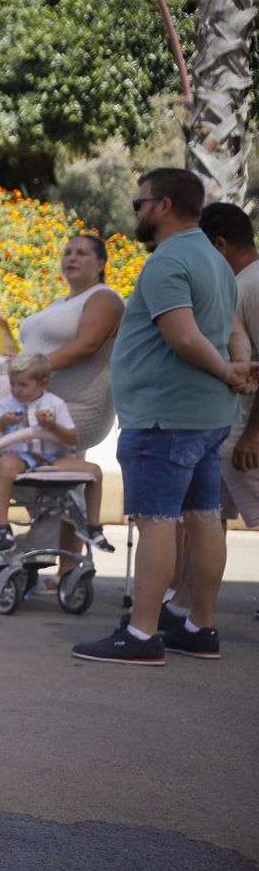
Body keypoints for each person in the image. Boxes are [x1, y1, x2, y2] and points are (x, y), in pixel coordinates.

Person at [72, 169, 254, 666]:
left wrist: (229, 372)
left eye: (140, 202)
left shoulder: (169, 260)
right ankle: (200, 626)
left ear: (164, 205)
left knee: (157, 522)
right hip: (205, 414)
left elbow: (184, 337)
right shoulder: (216, 261)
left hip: (165, 416)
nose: (137, 210)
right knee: (203, 519)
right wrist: (234, 367)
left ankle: (142, 633)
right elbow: (233, 328)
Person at [17, 233, 126, 582]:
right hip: (46, 404)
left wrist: (31, 368)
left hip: (78, 405)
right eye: (66, 252)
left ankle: (58, 556)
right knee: (56, 477)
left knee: (28, 464)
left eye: (82, 253)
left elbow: (88, 346)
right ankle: (64, 563)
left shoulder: (104, 298)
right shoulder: (62, 302)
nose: (71, 258)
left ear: (101, 264)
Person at [0, 351, 111, 554]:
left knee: (95, 472)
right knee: (6, 465)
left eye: (22, 385)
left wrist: (52, 426)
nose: (16, 390)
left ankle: (93, 526)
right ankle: (3, 527)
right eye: (13, 384)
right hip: (20, 455)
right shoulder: (7, 405)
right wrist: (2, 422)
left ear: (43, 384)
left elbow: (72, 439)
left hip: (51, 458)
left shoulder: (54, 404)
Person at [202, 203, 259, 619]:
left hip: (245, 433)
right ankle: (197, 604)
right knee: (207, 515)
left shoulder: (250, 285)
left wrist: (254, 434)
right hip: (225, 429)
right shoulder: (242, 283)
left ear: (219, 245)